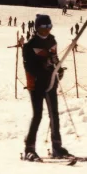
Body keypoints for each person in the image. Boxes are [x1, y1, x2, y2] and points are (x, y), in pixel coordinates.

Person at [22, 14, 68, 161]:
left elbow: (54, 58)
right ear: (37, 28)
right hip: (36, 84)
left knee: (54, 114)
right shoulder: (30, 45)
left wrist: (58, 69)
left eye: (49, 27)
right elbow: (29, 66)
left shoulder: (51, 40)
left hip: (50, 82)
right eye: (43, 28)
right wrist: (45, 65)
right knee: (38, 115)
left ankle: (57, 147)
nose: (46, 31)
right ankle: (29, 148)